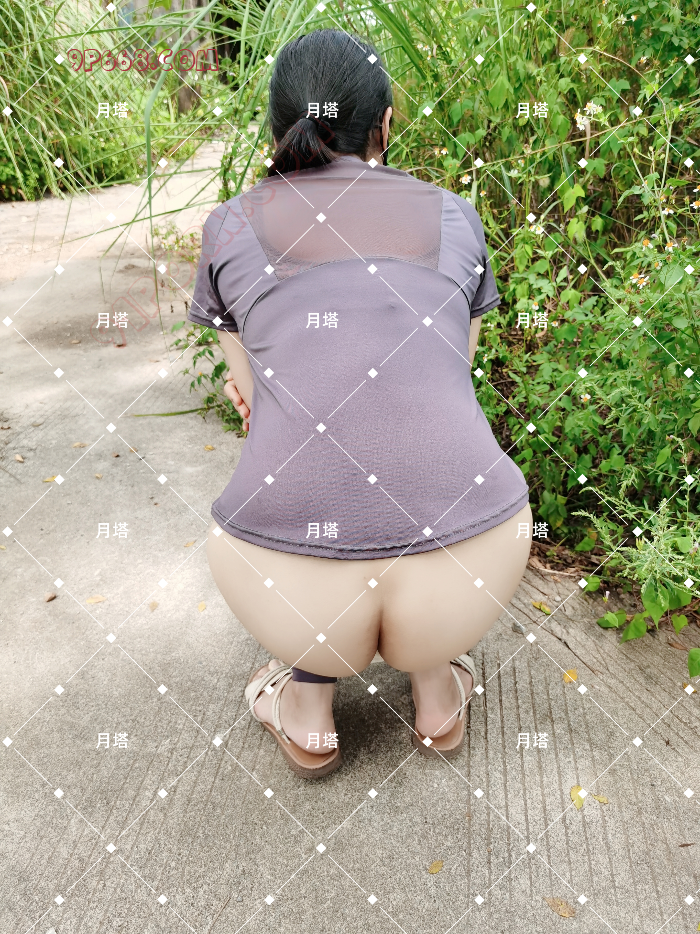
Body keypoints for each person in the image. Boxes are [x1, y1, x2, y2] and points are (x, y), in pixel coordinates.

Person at [187, 28, 532, 779]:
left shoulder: (231, 225)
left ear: (279, 131)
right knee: (420, 449)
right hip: (469, 571)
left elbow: (254, 400)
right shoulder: (454, 215)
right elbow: (452, 377)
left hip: (298, 595)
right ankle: (437, 695)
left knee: (301, 464)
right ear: (386, 125)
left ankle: (307, 712)